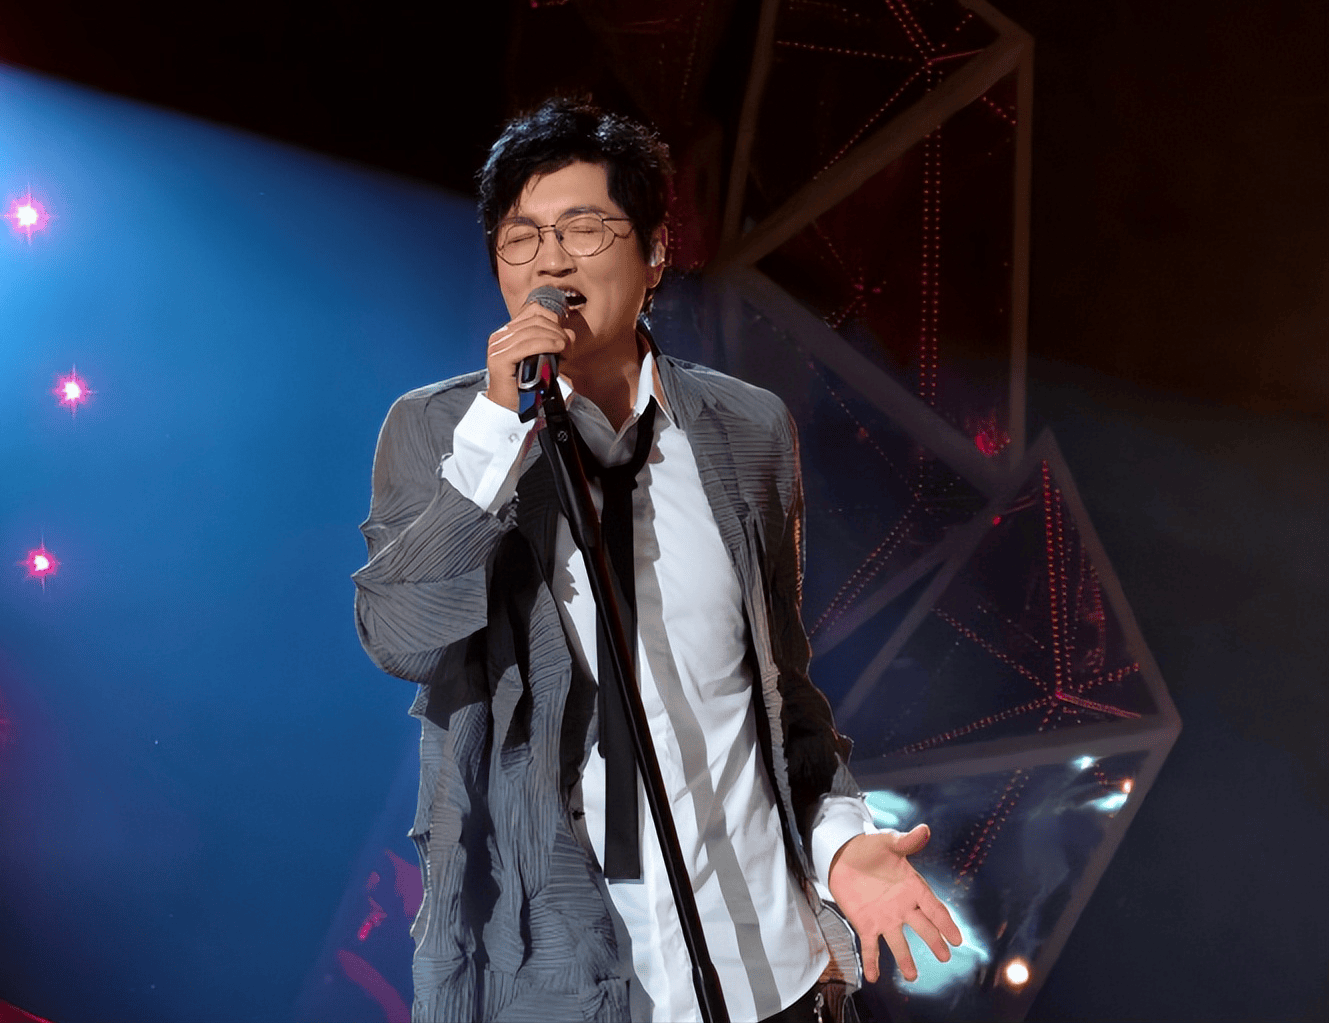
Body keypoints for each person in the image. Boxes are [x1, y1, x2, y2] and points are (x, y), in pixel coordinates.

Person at [353, 98, 961, 1023]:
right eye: (520, 238)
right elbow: (399, 635)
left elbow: (779, 692)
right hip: (569, 985)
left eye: (583, 228)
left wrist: (840, 841)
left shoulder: (746, 429)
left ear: (654, 253)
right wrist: (495, 434)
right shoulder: (439, 431)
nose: (549, 262)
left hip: (770, 970)